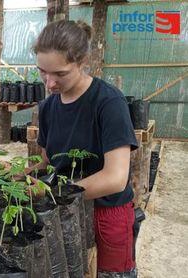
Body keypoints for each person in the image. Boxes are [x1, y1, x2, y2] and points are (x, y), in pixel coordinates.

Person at [30, 20, 138, 277]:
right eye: (42, 71)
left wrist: (52, 191)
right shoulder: (48, 108)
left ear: (82, 62)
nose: (49, 83)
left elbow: (115, 178)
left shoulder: (108, 102)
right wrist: (21, 175)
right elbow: (49, 161)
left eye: (60, 74)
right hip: (61, 211)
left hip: (106, 211)